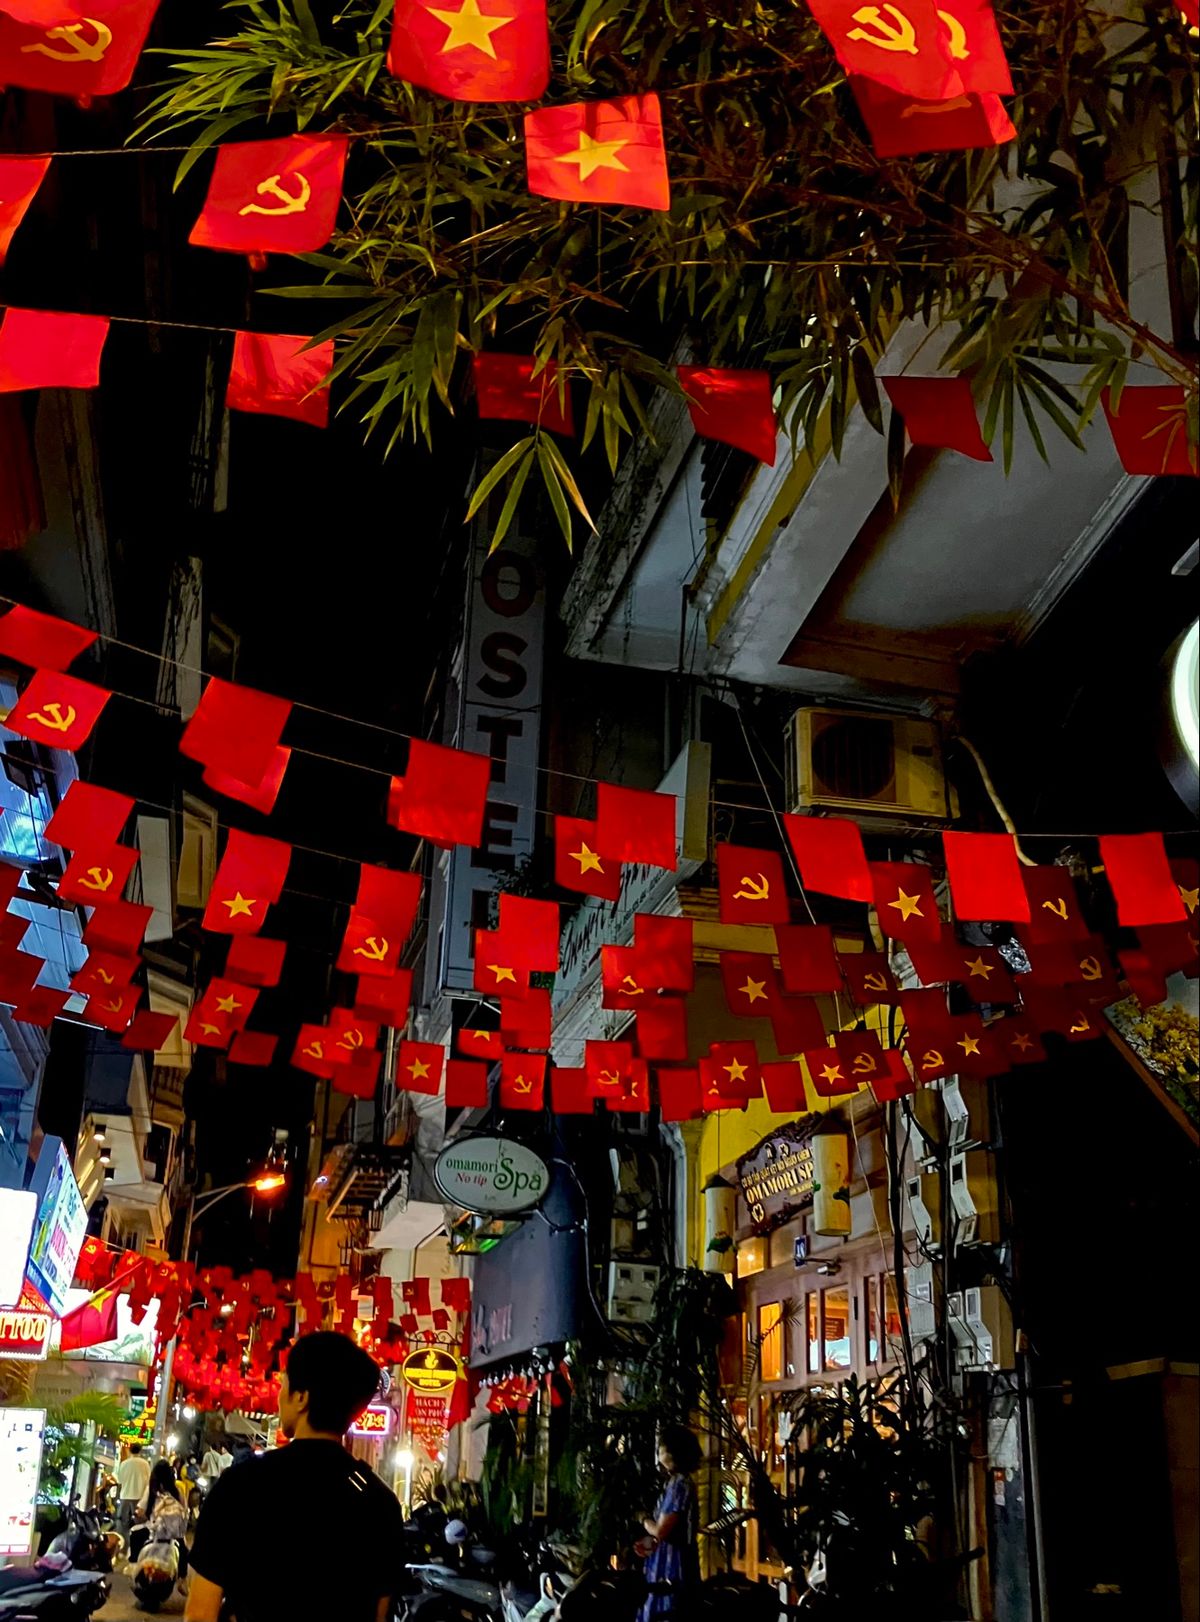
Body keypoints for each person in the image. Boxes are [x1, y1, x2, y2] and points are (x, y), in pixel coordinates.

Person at [185, 1331, 406, 1622]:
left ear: (301, 1398)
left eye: (284, 1384)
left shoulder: (241, 1485)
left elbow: (201, 1613)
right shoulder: (380, 1502)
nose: (278, 1395)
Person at [636, 1425, 702, 1620]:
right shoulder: (675, 1482)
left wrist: (642, 1519)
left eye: (662, 1448)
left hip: (673, 1564)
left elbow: (661, 1531)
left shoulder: (679, 1484)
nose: (659, 1452)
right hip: (667, 1558)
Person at [130, 1459, 189, 1568]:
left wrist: (139, 1515)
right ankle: (182, 1577)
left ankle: (134, 1567)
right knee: (183, 1551)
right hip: (175, 1536)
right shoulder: (178, 1492)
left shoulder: (151, 1490)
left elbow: (141, 1512)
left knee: (135, 1534)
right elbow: (184, 1512)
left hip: (154, 1534)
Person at [114, 1443, 151, 1538]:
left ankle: (123, 1545)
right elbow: (148, 1481)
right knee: (138, 1523)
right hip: (139, 1497)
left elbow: (119, 1480)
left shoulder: (124, 1464)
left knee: (123, 1523)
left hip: (125, 1496)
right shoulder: (145, 1464)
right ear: (140, 1451)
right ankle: (135, 1541)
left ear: (130, 1450)